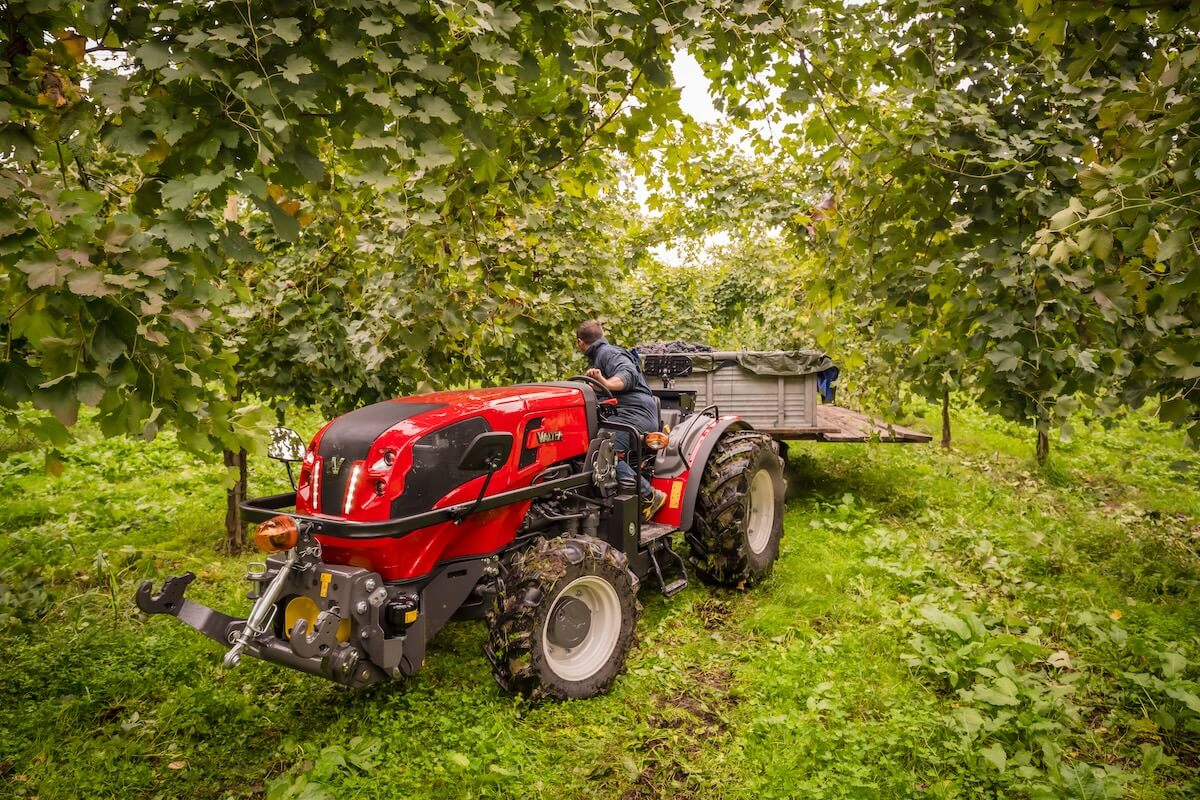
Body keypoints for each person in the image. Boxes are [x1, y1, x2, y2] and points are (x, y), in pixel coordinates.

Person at [575, 320, 668, 520]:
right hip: (624, 414)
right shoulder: (598, 358)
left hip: (635, 413)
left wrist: (606, 382)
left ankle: (649, 496)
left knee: (603, 452)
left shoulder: (608, 353)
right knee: (595, 449)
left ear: (580, 343)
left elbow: (628, 374)